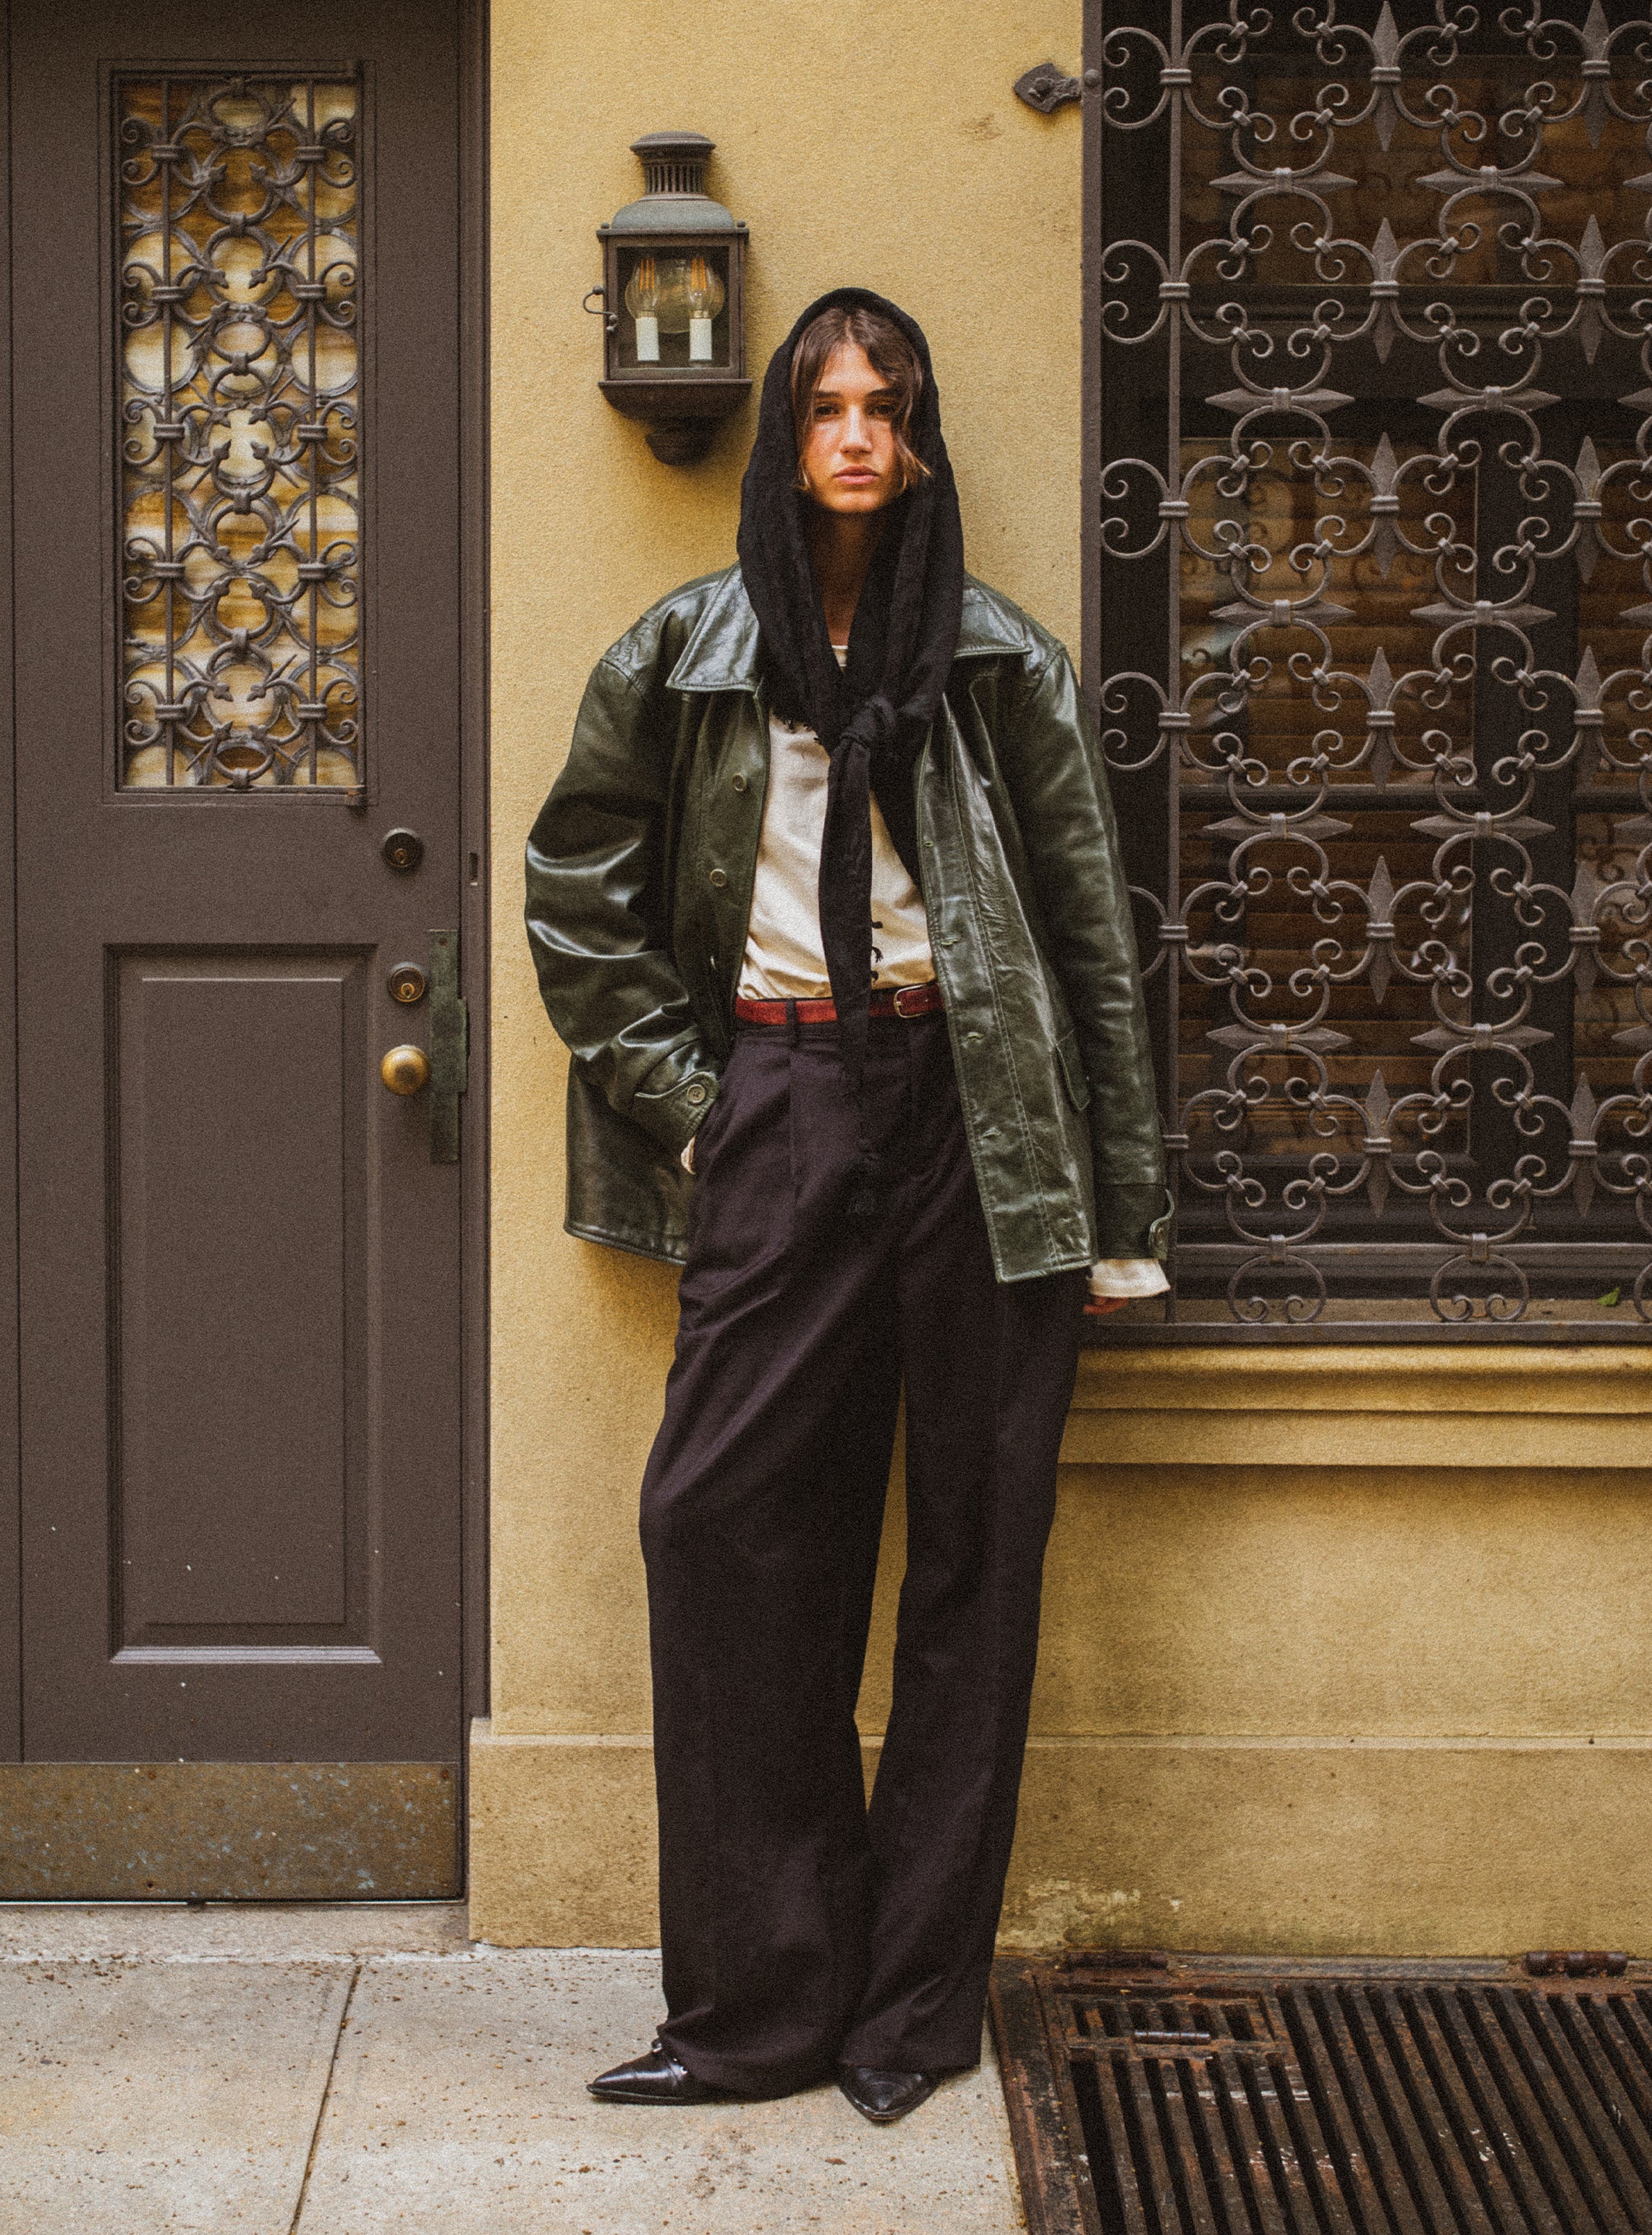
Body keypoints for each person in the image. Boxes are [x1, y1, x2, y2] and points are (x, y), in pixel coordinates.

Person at [525, 288, 1169, 2125]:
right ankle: (756, 2012)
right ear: (784, 436)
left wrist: (1115, 1205)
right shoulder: (683, 652)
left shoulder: (994, 661)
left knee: (975, 1564)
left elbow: (1084, 939)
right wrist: (695, 1104)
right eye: (827, 405)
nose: (858, 435)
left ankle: (906, 2019)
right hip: (778, 1097)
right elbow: (576, 891)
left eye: (888, 405)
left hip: (979, 1115)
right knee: (720, 1534)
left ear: (925, 433)